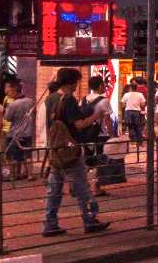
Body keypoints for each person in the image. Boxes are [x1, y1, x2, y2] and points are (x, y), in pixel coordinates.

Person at [42, 68, 110, 236]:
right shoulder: (69, 100)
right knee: (81, 187)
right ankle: (89, 220)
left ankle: (50, 223)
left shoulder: (50, 98)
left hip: (55, 148)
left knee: (54, 188)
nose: (77, 85)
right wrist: (96, 116)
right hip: (71, 149)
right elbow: (79, 124)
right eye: (76, 82)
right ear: (71, 82)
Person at [85, 76, 114, 196]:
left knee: (87, 161)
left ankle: (79, 185)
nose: (104, 86)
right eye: (103, 84)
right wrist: (112, 135)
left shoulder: (84, 99)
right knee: (99, 161)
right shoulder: (104, 100)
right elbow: (107, 120)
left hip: (87, 134)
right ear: (99, 86)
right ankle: (96, 188)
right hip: (100, 134)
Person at [3, 83, 35, 181]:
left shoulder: (13, 104)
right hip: (28, 132)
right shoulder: (31, 101)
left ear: (14, 91)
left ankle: (12, 175)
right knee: (27, 154)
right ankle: (30, 174)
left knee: (12, 155)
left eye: (9, 92)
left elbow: (7, 118)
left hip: (15, 133)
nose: (8, 94)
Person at [121, 79, 147, 146]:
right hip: (137, 112)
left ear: (130, 88)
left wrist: (128, 104)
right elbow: (143, 104)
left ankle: (132, 142)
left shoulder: (126, 94)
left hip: (128, 112)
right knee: (138, 127)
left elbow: (123, 105)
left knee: (130, 127)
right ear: (136, 88)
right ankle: (140, 142)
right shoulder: (140, 94)